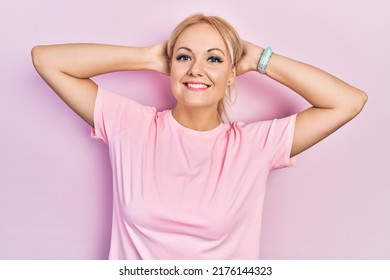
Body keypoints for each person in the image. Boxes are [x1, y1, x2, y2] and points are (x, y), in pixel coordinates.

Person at [31, 13, 367, 260]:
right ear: (170, 65)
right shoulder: (130, 125)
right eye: (184, 56)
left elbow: (349, 102)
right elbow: (46, 60)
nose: (196, 69)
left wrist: (262, 59)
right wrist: (148, 57)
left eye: (215, 59)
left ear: (232, 74)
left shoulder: (256, 145)